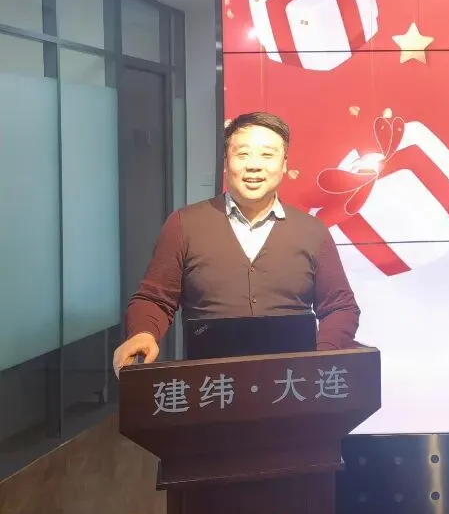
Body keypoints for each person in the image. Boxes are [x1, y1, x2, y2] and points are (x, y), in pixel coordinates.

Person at [112, 111, 360, 376]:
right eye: (243, 154)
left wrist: (321, 354)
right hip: (209, 384)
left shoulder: (312, 231)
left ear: (284, 164)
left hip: (293, 384)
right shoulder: (185, 224)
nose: (254, 165)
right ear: (226, 161)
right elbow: (154, 299)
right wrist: (142, 333)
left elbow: (340, 307)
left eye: (267, 155)